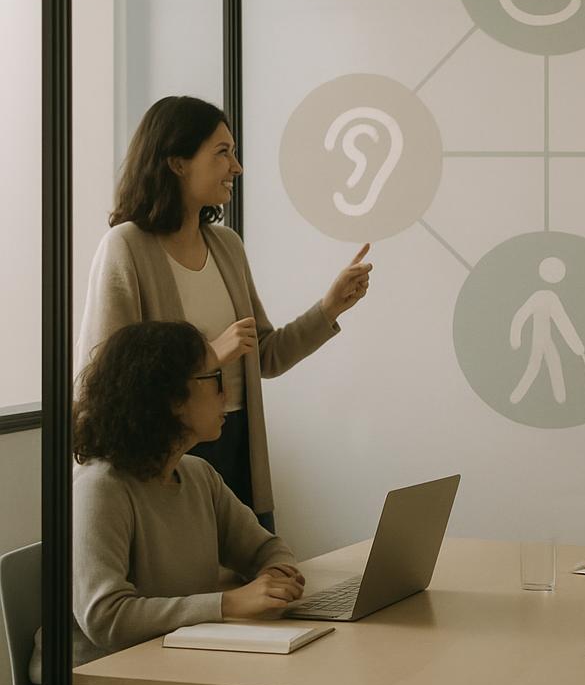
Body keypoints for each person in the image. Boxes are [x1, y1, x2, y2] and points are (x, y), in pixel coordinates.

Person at [30, 320, 374, 685]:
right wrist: (231, 603)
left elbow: (265, 547)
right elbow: (105, 617)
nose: (226, 391)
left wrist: (278, 573)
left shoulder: (196, 475)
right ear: (171, 398)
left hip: (172, 679)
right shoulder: (101, 489)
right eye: (213, 380)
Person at [77, 95, 372, 529]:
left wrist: (329, 307)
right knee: (204, 588)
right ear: (177, 162)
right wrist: (208, 356)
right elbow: (107, 380)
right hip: (166, 453)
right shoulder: (126, 248)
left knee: (263, 580)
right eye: (222, 153)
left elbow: (264, 355)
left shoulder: (226, 246)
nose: (237, 167)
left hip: (237, 444)